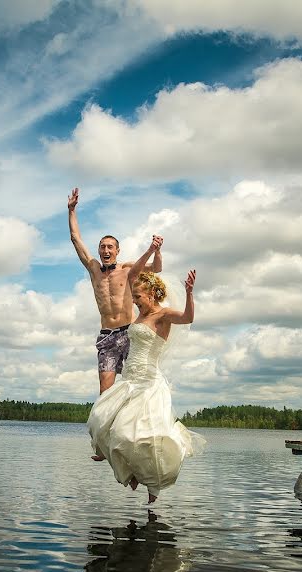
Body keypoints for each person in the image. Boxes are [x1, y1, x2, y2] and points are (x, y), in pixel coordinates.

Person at [86, 237, 204, 503]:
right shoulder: (139, 316)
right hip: (130, 380)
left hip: (149, 382)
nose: (135, 301)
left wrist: (188, 293)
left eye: (138, 297)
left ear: (151, 294)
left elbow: (188, 318)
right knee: (110, 424)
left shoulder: (163, 316)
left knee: (145, 436)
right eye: (134, 297)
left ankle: (152, 483)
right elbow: (138, 275)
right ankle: (133, 474)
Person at [68, 187, 162, 393]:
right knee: (105, 390)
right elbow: (76, 239)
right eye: (102, 246)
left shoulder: (127, 270)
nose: (106, 250)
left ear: (117, 250)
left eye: (110, 247)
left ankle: (131, 423)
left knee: (136, 386)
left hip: (129, 333)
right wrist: (72, 210)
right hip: (106, 336)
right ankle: (106, 425)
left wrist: (155, 250)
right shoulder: (94, 269)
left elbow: (156, 269)